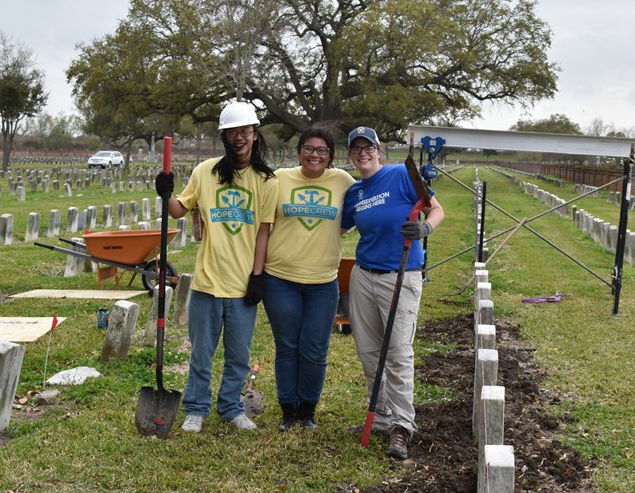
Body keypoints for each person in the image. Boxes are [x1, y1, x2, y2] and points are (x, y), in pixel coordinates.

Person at [155, 101, 279, 433]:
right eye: (231, 132)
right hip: (208, 282)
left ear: (254, 134)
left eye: (244, 131)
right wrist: (165, 192)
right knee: (202, 353)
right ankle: (196, 408)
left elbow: (263, 231)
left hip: (242, 286)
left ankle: (231, 408)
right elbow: (178, 210)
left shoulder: (266, 180)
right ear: (224, 136)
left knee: (238, 356)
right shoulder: (205, 172)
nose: (238, 137)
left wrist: (258, 276)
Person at [340, 126, 444, 459]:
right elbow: (338, 226)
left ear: (378, 149)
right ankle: (382, 417)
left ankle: (402, 426)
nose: (363, 154)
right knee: (370, 353)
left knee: (398, 353)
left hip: (400, 275)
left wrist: (426, 226)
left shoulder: (401, 175)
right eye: (356, 149)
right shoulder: (354, 192)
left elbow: (435, 209)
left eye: (368, 147)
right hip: (363, 276)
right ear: (350, 155)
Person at [262, 125, 355, 430]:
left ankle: (308, 410)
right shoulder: (279, 178)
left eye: (322, 150)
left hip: (323, 281)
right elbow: (263, 225)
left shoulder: (343, 181)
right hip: (280, 278)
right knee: (287, 346)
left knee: (315, 349)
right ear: (299, 151)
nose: (315, 155)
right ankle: (288, 410)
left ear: (331, 156)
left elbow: (361, 208)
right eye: (309, 148)